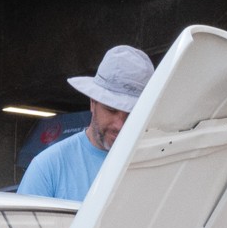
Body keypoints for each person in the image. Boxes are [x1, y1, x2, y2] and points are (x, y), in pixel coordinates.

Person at [18, 45, 155, 203]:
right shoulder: (48, 168)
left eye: (132, 114)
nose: (120, 125)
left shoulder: (160, 164)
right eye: (111, 109)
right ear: (92, 102)